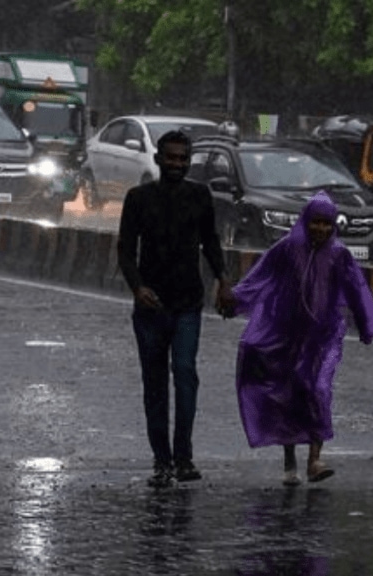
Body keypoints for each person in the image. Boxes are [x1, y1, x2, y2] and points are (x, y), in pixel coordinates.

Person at [226, 191, 373, 486]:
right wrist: (234, 301)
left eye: (326, 223)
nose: (320, 229)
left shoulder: (339, 255)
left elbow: (357, 290)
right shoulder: (286, 249)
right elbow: (260, 278)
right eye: (315, 222)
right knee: (289, 392)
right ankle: (289, 460)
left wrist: (366, 324)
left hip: (324, 336)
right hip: (287, 334)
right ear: (305, 222)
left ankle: (314, 460)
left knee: (317, 389)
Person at [117, 129, 234, 489]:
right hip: (151, 307)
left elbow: (210, 242)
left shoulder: (199, 197)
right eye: (171, 158)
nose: (177, 165)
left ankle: (184, 457)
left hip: (187, 303)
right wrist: (138, 288)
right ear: (158, 159)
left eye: (183, 159)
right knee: (155, 384)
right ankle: (161, 461)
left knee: (185, 374)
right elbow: (125, 250)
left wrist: (223, 279)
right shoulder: (138, 198)